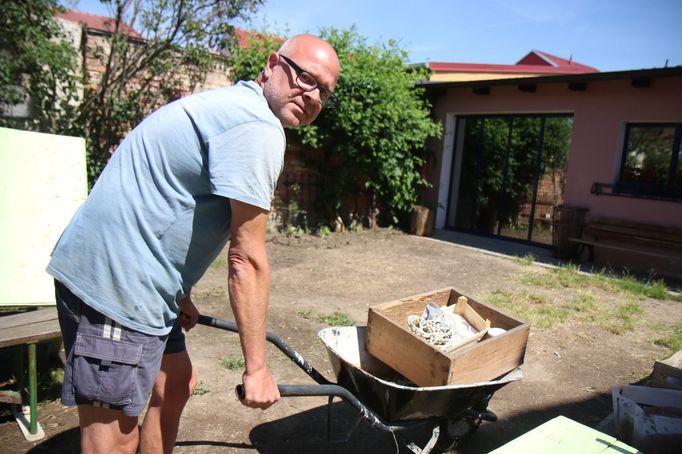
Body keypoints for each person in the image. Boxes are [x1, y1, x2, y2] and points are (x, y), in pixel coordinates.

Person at [47, 34, 340, 454]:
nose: (311, 95)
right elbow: (247, 259)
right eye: (305, 77)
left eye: (323, 91)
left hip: (141, 276)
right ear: (273, 63)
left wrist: (179, 292)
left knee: (177, 381)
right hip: (117, 285)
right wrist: (256, 369)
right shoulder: (257, 127)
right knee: (113, 439)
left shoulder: (237, 109)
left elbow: (168, 197)